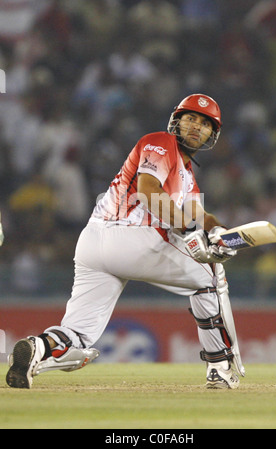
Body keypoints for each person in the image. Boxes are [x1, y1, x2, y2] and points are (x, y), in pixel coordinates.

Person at [6, 93, 244, 390]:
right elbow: (148, 191)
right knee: (208, 277)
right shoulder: (160, 141)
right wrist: (196, 234)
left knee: (78, 334)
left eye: (205, 124)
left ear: (212, 134)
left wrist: (223, 232)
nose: (197, 126)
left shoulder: (188, 176)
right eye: (191, 118)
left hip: (93, 244)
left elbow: (200, 216)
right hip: (131, 238)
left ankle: (36, 349)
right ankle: (219, 368)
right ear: (177, 121)